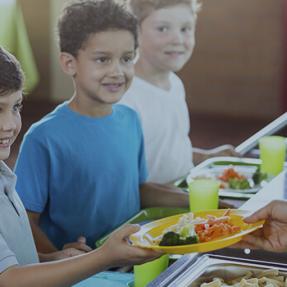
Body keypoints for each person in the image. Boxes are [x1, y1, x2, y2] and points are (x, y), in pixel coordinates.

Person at [14, 0, 189, 259]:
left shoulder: (130, 119)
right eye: (102, 59)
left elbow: (137, 189)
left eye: (127, 58)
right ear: (69, 63)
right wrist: (56, 259)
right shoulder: (44, 138)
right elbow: (22, 220)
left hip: (131, 257)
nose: (117, 71)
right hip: (83, 271)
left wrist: (199, 200)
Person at [0, 46, 160, 287]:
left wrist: (51, 259)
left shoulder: (4, 174)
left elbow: (11, 263)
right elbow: (9, 280)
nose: (9, 125)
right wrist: (104, 256)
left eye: (16, 107)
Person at [119, 0, 237, 184]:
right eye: (163, 29)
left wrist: (205, 157)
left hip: (182, 189)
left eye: (185, 29)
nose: (178, 40)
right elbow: (123, 176)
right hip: (152, 208)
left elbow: (164, 150)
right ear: (133, 32)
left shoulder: (175, 83)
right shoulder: (125, 96)